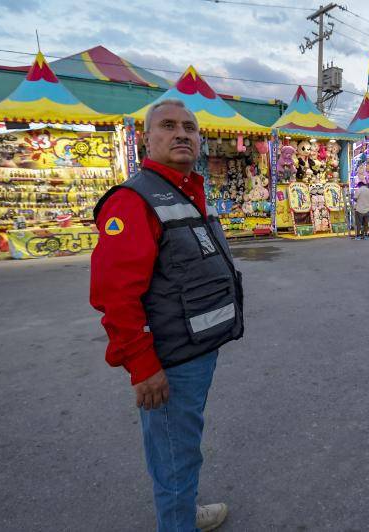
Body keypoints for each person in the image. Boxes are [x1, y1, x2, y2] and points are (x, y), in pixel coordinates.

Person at [90, 99, 243, 531]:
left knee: (181, 446)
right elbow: (114, 295)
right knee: (175, 453)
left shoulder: (184, 190)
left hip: (193, 350)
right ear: (146, 139)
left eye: (189, 128)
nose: (181, 134)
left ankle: (183, 513)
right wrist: (142, 365)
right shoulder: (134, 200)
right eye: (168, 126)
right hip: (169, 360)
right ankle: (178, 523)